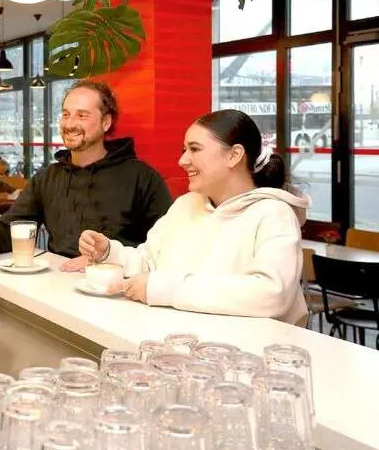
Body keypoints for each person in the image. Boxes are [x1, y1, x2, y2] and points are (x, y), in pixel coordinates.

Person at [77, 109, 309, 325]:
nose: (183, 160)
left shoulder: (274, 214)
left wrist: (164, 289)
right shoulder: (185, 205)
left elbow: (271, 294)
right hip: (180, 340)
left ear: (234, 155)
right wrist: (109, 252)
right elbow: (150, 261)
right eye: (184, 150)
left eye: (195, 149)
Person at [0, 81, 172, 265]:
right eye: (65, 114)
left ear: (106, 122)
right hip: (57, 286)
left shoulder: (142, 178)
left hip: (119, 291)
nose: (70, 124)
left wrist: (109, 258)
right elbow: (10, 229)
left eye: (82, 115)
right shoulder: (47, 178)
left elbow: (166, 246)